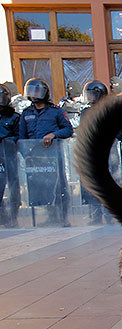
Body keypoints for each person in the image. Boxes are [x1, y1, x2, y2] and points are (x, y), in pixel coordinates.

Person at [19, 78, 74, 226]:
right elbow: (21, 138)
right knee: (42, 188)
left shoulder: (55, 112)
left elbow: (68, 129)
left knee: (58, 186)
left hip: (53, 156)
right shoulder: (26, 114)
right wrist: (27, 155)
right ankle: (50, 216)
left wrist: (54, 135)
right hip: (35, 158)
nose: (33, 95)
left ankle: (63, 217)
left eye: (36, 92)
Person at [79, 80, 110, 224]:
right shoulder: (85, 112)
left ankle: (109, 216)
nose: (90, 97)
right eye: (88, 95)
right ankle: (96, 216)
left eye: (92, 95)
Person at [0, 83, 21, 227]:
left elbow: (19, 135)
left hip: (9, 155)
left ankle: (13, 215)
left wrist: (9, 141)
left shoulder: (14, 117)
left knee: (14, 186)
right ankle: (3, 216)